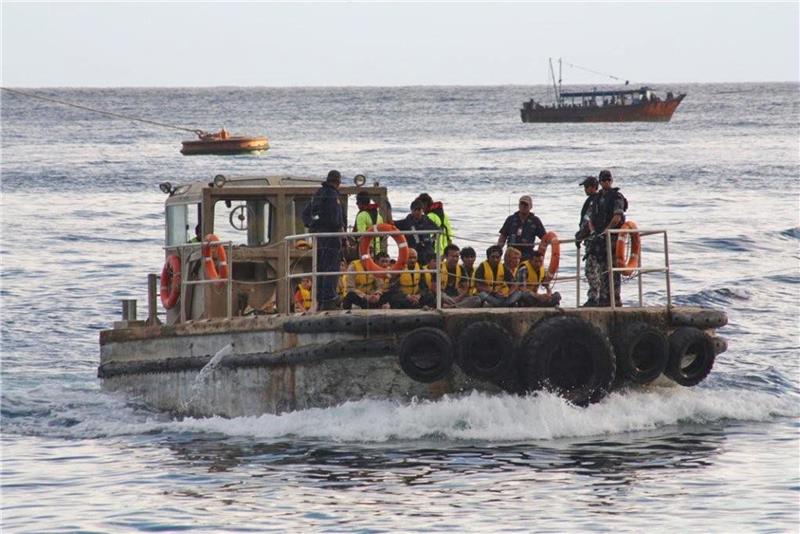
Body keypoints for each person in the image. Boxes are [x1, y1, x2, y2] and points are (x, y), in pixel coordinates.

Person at [304, 170, 346, 310]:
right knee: (331, 267)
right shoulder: (333, 195)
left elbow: (305, 214)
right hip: (331, 236)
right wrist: (340, 231)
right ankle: (329, 299)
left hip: (318, 237)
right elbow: (335, 218)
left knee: (320, 267)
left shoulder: (318, 194)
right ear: (338, 182)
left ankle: (320, 298)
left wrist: (312, 225)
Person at [594, 169, 628, 306]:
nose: (606, 182)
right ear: (600, 182)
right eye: (603, 180)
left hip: (613, 237)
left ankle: (615, 297)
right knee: (602, 267)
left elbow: (617, 216)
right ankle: (603, 297)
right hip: (600, 237)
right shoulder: (597, 198)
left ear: (611, 181)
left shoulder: (616, 197)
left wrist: (607, 230)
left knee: (614, 267)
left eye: (608, 180)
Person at [575, 176, 602, 306]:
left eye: (587, 187)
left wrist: (580, 235)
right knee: (597, 270)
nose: (585, 189)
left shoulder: (593, 201)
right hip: (596, 239)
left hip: (593, 240)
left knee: (591, 270)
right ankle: (600, 296)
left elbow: (588, 220)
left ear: (593, 187)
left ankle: (594, 298)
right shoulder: (598, 200)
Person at [497, 195, 546, 261]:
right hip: (511, 254)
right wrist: (498, 250)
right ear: (519, 205)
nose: (523, 206)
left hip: (527, 254)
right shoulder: (511, 219)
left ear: (530, 206)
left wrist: (540, 251)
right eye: (521, 204)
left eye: (526, 205)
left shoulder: (535, 220)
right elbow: (503, 237)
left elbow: (544, 237)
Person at [395, 199, 438, 265]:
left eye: (419, 210)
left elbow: (438, 230)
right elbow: (392, 224)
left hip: (427, 251)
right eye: (415, 210)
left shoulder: (427, 220)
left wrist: (431, 240)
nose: (417, 212)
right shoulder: (406, 222)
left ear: (422, 210)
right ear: (411, 210)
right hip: (413, 252)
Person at [417, 193, 454, 257]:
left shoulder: (429, 216)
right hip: (444, 250)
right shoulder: (444, 215)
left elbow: (426, 236)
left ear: (425, 204)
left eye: (420, 207)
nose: (421, 210)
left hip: (434, 250)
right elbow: (449, 234)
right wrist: (448, 250)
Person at [353, 191, 384, 255]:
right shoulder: (379, 216)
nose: (356, 204)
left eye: (357, 202)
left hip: (365, 250)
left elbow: (361, 234)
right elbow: (382, 234)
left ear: (360, 203)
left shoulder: (362, 215)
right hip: (377, 250)